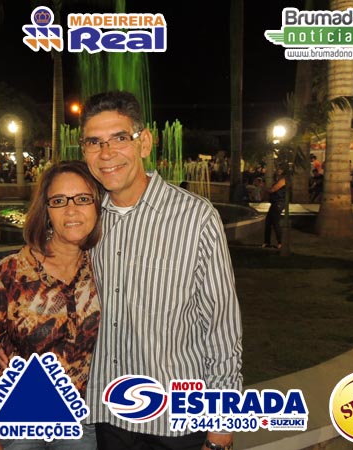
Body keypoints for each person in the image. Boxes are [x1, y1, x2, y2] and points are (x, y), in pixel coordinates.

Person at [80, 91, 242, 450]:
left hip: (176, 423)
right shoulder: (87, 220)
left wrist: (222, 427)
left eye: (119, 138)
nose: (106, 153)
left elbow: (221, 327)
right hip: (108, 418)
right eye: (94, 142)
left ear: (144, 142)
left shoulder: (196, 217)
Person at [0, 161, 102, 450]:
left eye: (82, 198)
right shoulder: (9, 273)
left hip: (82, 420)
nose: (71, 210)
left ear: (97, 206)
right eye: (59, 201)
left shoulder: (104, 270)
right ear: (46, 211)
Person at [262, 167, 286, 249]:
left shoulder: (283, 180)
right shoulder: (277, 180)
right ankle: (266, 242)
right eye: (277, 169)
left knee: (276, 223)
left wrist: (263, 187)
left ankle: (280, 242)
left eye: (280, 169)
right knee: (268, 222)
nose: (278, 170)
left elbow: (273, 190)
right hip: (274, 203)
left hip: (279, 203)